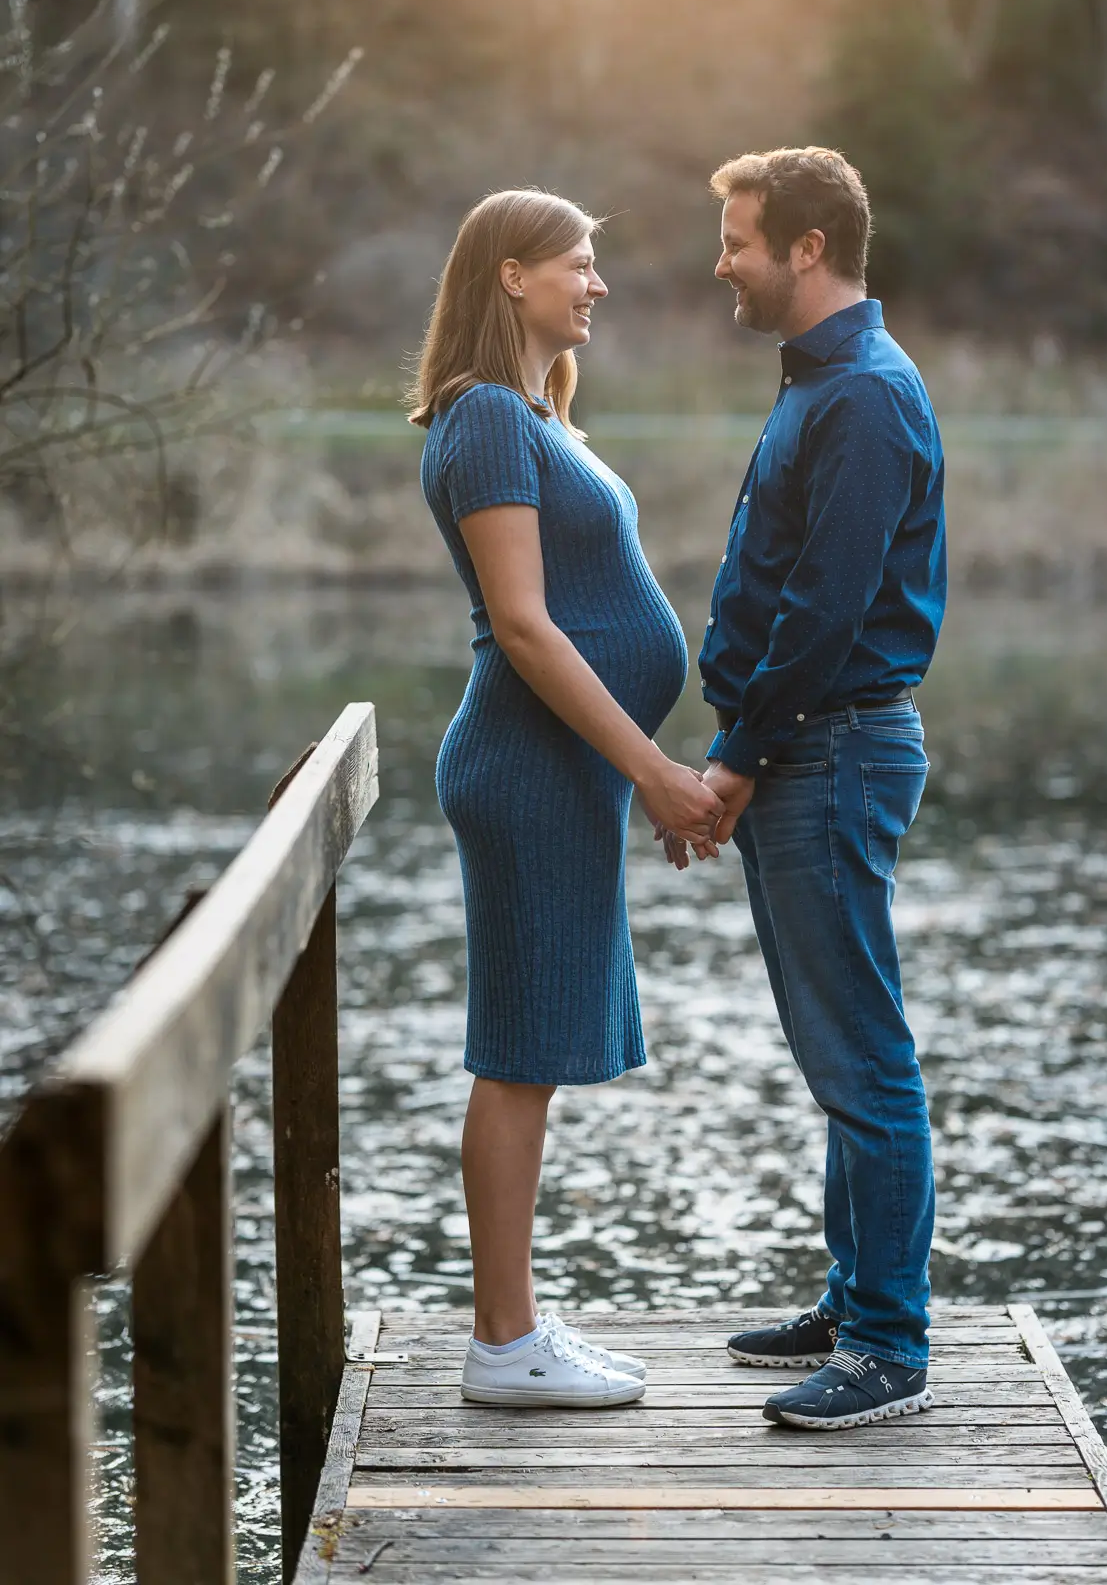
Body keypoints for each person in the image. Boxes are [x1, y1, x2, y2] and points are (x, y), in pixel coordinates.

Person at [409, 188, 723, 1409]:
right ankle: (503, 1345)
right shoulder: (488, 418)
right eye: (577, 264)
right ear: (510, 276)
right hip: (526, 770)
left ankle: (518, 1326)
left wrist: (631, 770)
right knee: (516, 1053)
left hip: (561, 770)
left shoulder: (531, 415)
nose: (596, 284)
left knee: (530, 1049)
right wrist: (653, 771)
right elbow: (527, 630)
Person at [676, 146, 947, 1430]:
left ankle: (887, 1345)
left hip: (826, 750)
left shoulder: (865, 398)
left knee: (863, 1055)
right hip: (807, 747)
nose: (720, 262)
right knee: (835, 1048)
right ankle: (852, 1301)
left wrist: (733, 759)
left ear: (806, 247)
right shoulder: (819, 385)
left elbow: (826, 610)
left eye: (737, 240)